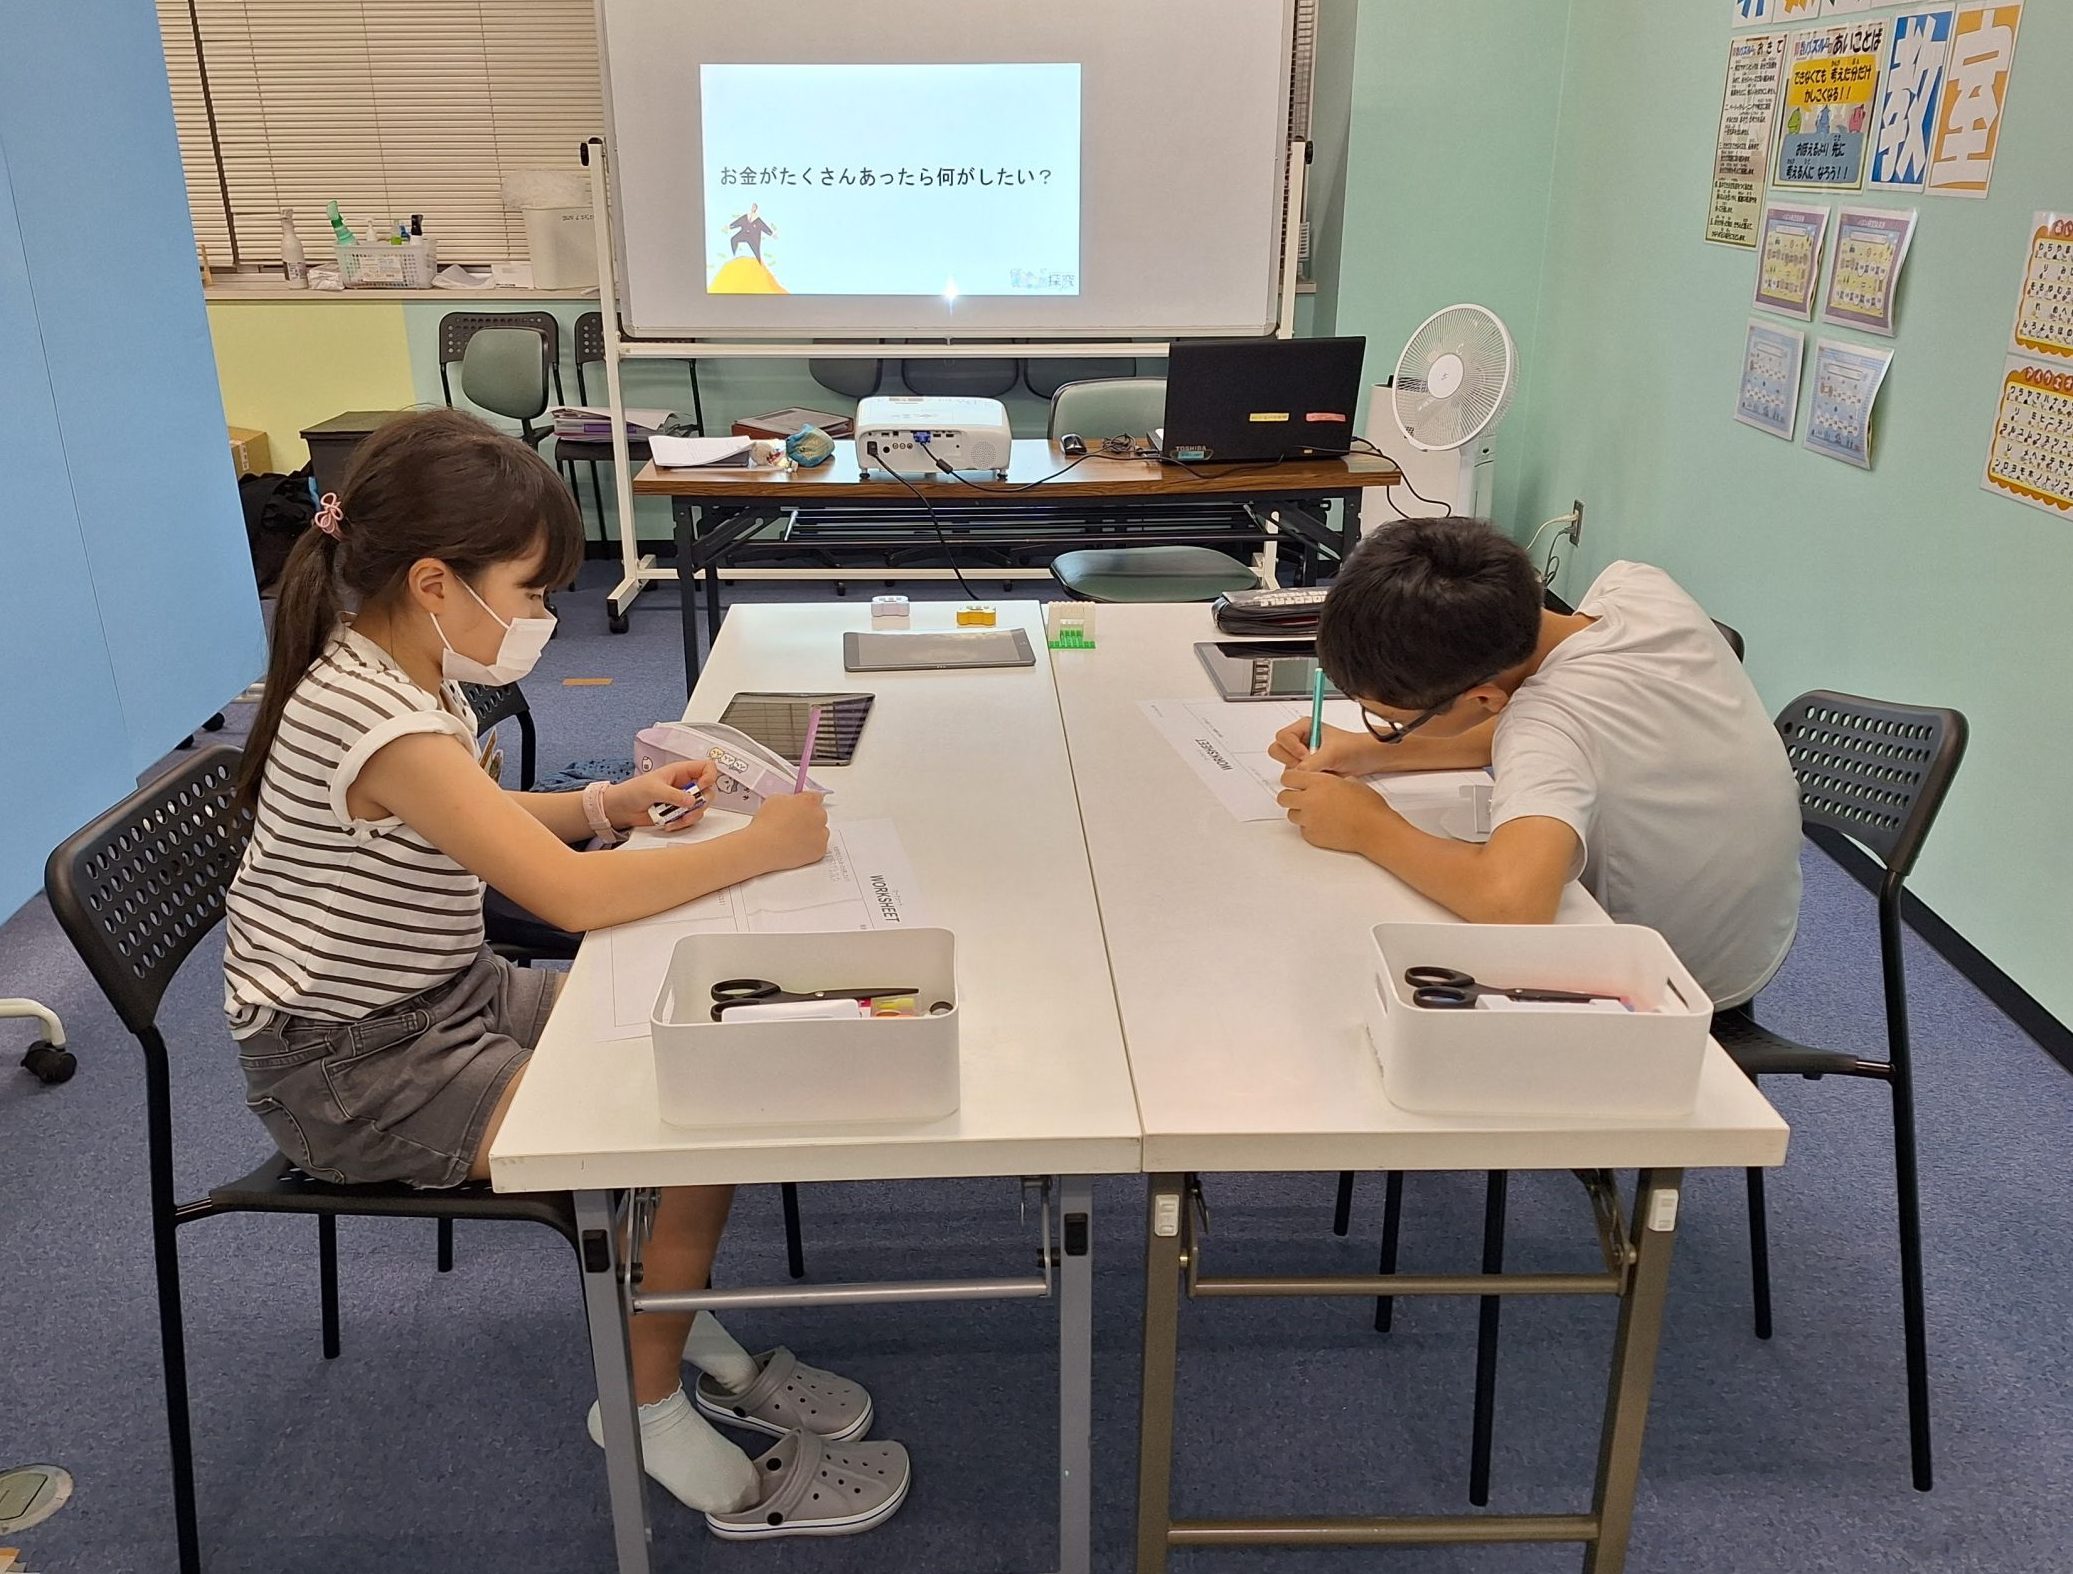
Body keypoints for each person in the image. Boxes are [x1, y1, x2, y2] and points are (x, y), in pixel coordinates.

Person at [224, 408, 908, 1537]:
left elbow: (477, 818)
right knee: (706, 1109)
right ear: (435, 583)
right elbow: (573, 900)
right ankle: (643, 1403)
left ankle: (663, 1318)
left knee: (708, 1042)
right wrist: (760, 845)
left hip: (448, 1001)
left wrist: (604, 804)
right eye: (533, 592)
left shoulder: (398, 670)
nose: (546, 616)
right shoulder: (380, 716)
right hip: (357, 1072)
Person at [1269, 516, 1802, 1012]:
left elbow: (1513, 905)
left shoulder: (1544, 727)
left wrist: (1368, 826)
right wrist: (1374, 749)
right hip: (1755, 922)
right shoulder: (1637, 587)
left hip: (1678, 977)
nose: (1382, 728)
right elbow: (1546, 725)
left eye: (1389, 721)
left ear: (1484, 699)